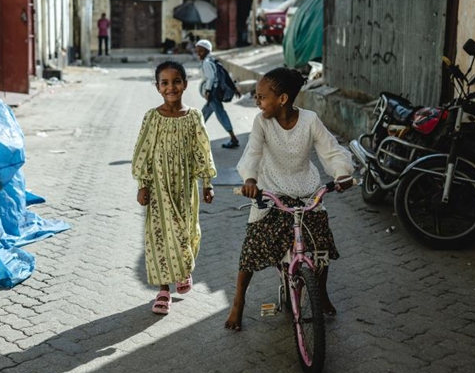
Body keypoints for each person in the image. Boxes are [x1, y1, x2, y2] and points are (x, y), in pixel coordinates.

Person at [224, 67, 354, 331]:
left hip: (306, 191)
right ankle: (238, 302)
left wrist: (342, 173)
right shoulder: (262, 122)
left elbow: (331, 151)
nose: (257, 101)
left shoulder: (310, 120)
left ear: (282, 99)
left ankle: (320, 293)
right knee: (252, 247)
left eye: (262, 97)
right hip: (270, 192)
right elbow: (253, 153)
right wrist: (250, 180)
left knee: (320, 247)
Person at [132, 60, 217, 315]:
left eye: (176, 81)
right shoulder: (152, 117)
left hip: (185, 187)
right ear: (157, 87)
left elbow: (202, 150)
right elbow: (143, 151)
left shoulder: (194, 117)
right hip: (158, 188)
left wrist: (207, 183)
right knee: (160, 237)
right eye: (165, 83)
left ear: (185, 84)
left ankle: (183, 270)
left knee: (185, 233)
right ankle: (163, 290)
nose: (171, 87)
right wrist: (143, 184)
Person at [196, 39, 240, 149]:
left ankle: (233, 138)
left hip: (213, 93)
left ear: (207, 51)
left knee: (220, 114)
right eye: (197, 50)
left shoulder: (206, 62)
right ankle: (195, 138)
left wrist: (207, 91)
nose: (198, 53)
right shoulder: (212, 60)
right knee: (204, 114)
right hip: (214, 93)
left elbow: (211, 78)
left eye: (201, 50)